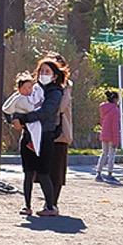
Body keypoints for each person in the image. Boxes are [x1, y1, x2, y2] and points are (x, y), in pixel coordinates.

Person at [12, 58, 65, 217]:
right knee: (28, 172)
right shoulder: (33, 89)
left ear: (55, 76)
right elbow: (17, 104)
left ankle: (50, 206)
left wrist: (24, 119)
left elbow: (45, 112)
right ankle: (27, 205)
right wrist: (15, 119)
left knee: (43, 173)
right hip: (28, 135)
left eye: (47, 72)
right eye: (41, 71)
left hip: (45, 136)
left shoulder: (55, 92)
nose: (43, 74)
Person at [47, 52, 73, 205]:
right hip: (44, 132)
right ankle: (48, 201)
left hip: (60, 132)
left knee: (56, 171)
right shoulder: (41, 86)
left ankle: (52, 203)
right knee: (43, 170)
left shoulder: (66, 87)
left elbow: (60, 108)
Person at [1, 72, 45, 155]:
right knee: (29, 130)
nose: (27, 90)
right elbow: (29, 108)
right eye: (24, 88)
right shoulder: (21, 98)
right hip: (20, 115)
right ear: (19, 89)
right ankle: (31, 143)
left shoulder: (29, 96)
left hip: (22, 115)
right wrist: (38, 104)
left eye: (29, 88)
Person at [96, 90, 121, 183]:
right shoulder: (115, 110)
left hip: (104, 133)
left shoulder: (104, 108)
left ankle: (98, 172)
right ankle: (109, 173)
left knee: (104, 154)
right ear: (115, 99)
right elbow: (115, 126)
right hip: (111, 135)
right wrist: (116, 140)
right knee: (112, 155)